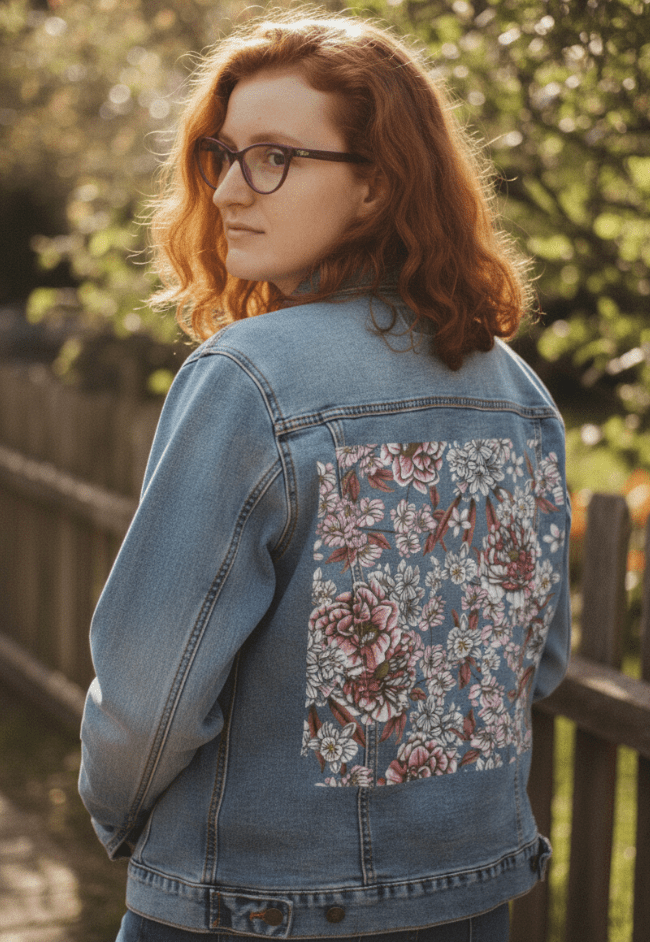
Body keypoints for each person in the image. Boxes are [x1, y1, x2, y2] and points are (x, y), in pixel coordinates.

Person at [79, 12, 571, 942]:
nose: (227, 190)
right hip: (468, 905)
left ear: (377, 188)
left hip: (248, 910)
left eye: (274, 157)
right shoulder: (520, 394)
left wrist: (116, 817)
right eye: (222, 154)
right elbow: (532, 665)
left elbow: (148, 698)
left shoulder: (247, 378)